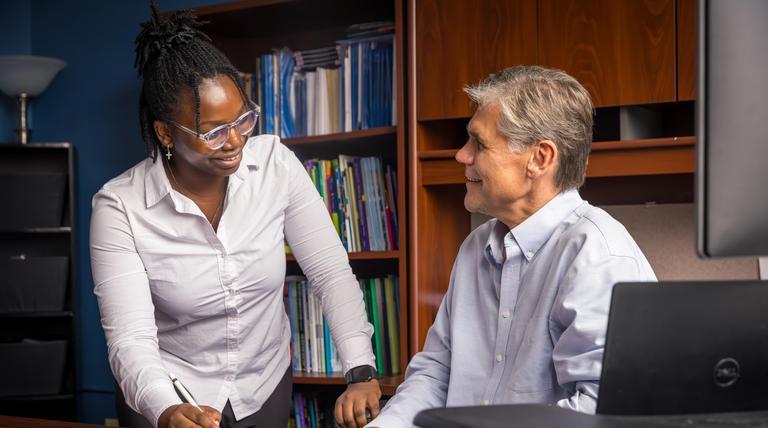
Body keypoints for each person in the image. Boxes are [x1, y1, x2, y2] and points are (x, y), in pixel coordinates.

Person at [89, 3, 381, 428]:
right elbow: (130, 339)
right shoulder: (120, 207)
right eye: (212, 131)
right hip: (169, 390)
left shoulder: (275, 166)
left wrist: (360, 370)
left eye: (243, 120)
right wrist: (165, 408)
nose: (235, 142)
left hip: (262, 384)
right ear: (165, 132)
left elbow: (330, 273)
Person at [364, 66, 657, 428]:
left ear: (539, 158)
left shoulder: (597, 255)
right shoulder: (475, 247)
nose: (461, 156)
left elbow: (606, 412)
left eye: (479, 144)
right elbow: (437, 374)